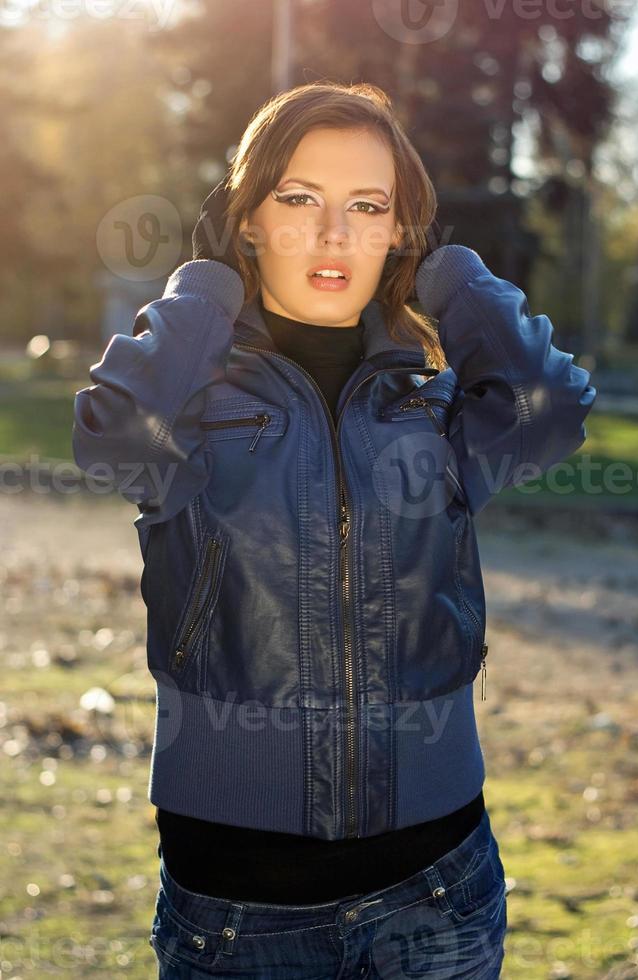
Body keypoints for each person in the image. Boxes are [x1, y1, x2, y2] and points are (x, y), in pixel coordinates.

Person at [72, 81, 597, 978]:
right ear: (246, 220)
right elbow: (113, 433)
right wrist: (203, 283)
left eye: (369, 206)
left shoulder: (434, 411)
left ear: (399, 230)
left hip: (439, 892)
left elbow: (547, 405)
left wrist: (446, 271)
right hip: (237, 909)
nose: (333, 234)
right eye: (298, 199)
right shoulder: (194, 405)